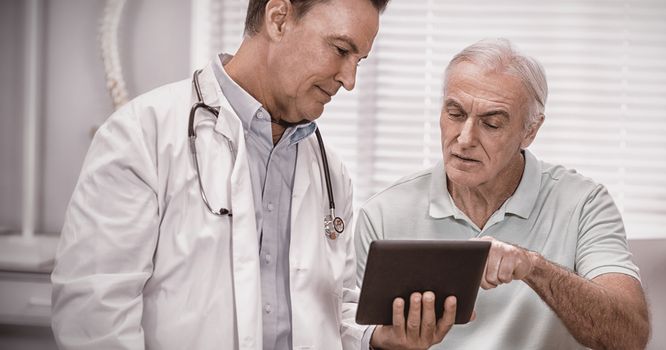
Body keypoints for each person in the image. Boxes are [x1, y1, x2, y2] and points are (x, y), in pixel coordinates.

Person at [50, 0, 456, 349]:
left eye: (359, 61)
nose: (350, 81)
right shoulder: (142, 136)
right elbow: (94, 317)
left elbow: (333, 304)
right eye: (340, 50)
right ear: (278, 18)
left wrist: (375, 337)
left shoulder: (330, 171)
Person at [355, 38, 651, 349]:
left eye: (491, 124)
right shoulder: (382, 214)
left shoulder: (584, 204)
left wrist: (533, 267)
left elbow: (629, 337)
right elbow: (348, 337)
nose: (465, 139)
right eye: (455, 114)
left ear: (530, 131)